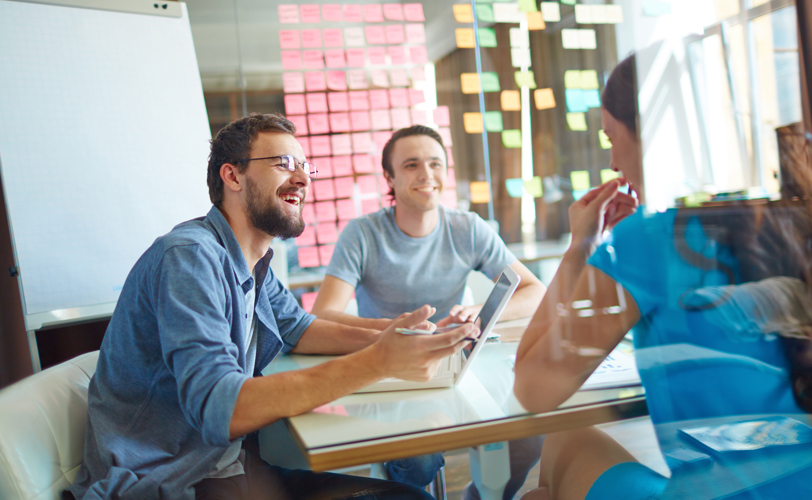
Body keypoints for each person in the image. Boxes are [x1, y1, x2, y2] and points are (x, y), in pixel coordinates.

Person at [65, 113, 479, 500]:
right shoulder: (190, 258)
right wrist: (377, 361)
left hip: (227, 468)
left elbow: (301, 328)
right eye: (284, 163)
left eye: (304, 166)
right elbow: (220, 407)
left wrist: (391, 335)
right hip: (167, 482)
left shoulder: (252, 258)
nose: (302, 177)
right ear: (233, 175)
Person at [513, 54, 812, 499]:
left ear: (652, 136)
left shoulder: (650, 240)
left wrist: (582, 248)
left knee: (562, 442)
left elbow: (534, 389)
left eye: (612, 138)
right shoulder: (793, 218)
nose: (614, 161)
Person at [312, 125, 547, 499]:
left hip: (455, 368)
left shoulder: (468, 228)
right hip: (390, 378)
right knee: (420, 458)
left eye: (436, 163)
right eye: (411, 164)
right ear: (389, 177)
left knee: (526, 433)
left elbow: (535, 290)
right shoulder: (362, 234)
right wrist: (410, 330)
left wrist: (476, 315)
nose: (426, 174)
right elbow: (323, 315)